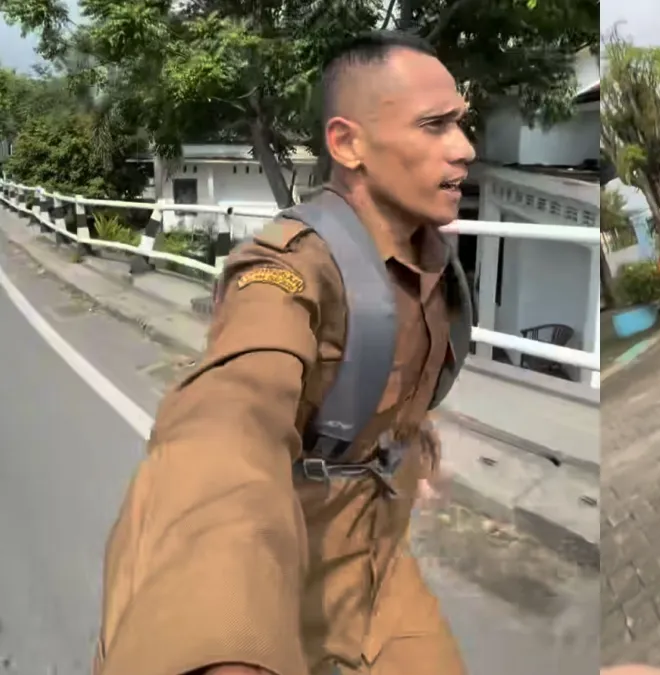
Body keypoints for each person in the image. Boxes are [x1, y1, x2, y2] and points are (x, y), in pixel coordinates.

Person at [92, 32, 476, 675]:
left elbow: (387, 380)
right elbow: (229, 420)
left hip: (382, 559)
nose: (464, 148)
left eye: (460, 123)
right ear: (347, 144)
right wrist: (219, 639)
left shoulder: (434, 261)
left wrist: (411, 435)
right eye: (434, 125)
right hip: (288, 569)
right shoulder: (288, 270)